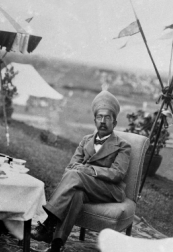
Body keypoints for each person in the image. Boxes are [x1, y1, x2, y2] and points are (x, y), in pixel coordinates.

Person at [31, 90, 132, 252]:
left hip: (108, 190)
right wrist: (81, 172)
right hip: (83, 186)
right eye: (100, 117)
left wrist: (88, 169)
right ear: (94, 120)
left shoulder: (123, 146)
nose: (103, 121)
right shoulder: (86, 140)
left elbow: (117, 173)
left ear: (115, 122)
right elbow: (70, 167)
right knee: (76, 193)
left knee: (76, 175)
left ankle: (48, 223)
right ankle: (57, 244)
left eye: (107, 117)